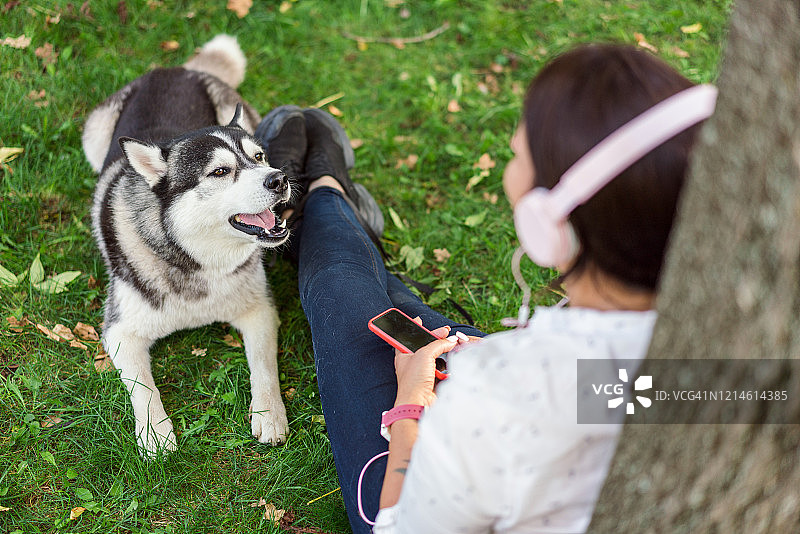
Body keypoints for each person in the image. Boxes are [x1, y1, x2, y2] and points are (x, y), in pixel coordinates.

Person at [255, 43, 711, 533]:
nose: (509, 167)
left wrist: (409, 408)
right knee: (405, 320)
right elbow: (619, 392)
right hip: (530, 420)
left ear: (550, 218)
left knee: (346, 301)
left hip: (444, 477)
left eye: (518, 155)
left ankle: (318, 193)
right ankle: (325, 200)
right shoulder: (742, 357)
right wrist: (504, 361)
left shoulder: (493, 398)